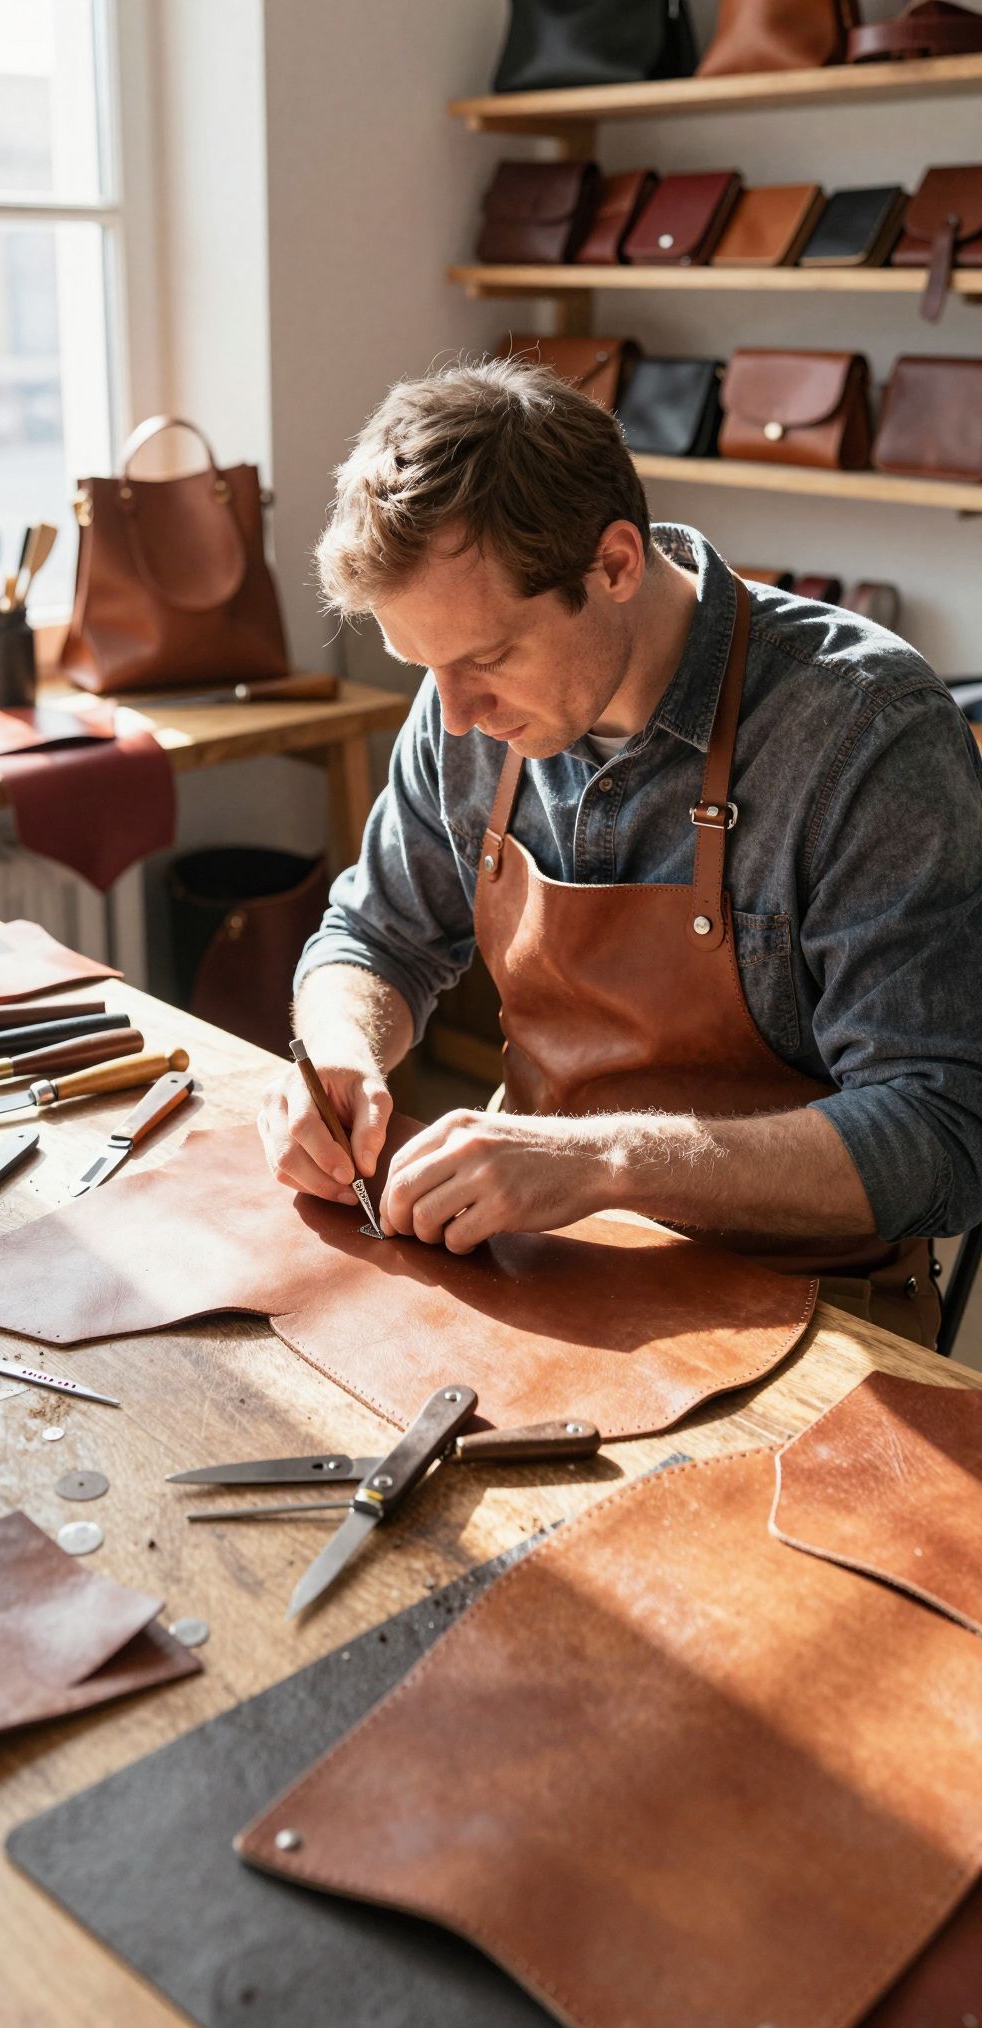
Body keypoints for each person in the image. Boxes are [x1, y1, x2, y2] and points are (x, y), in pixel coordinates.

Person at [258, 357, 982, 1347]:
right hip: (539, 1258)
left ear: (614, 566)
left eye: (486, 659)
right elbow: (373, 937)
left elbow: (941, 1132)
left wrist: (602, 1160)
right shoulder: (459, 703)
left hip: (808, 1307)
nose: (456, 713)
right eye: (426, 667)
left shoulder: (865, 731)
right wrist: (341, 1050)